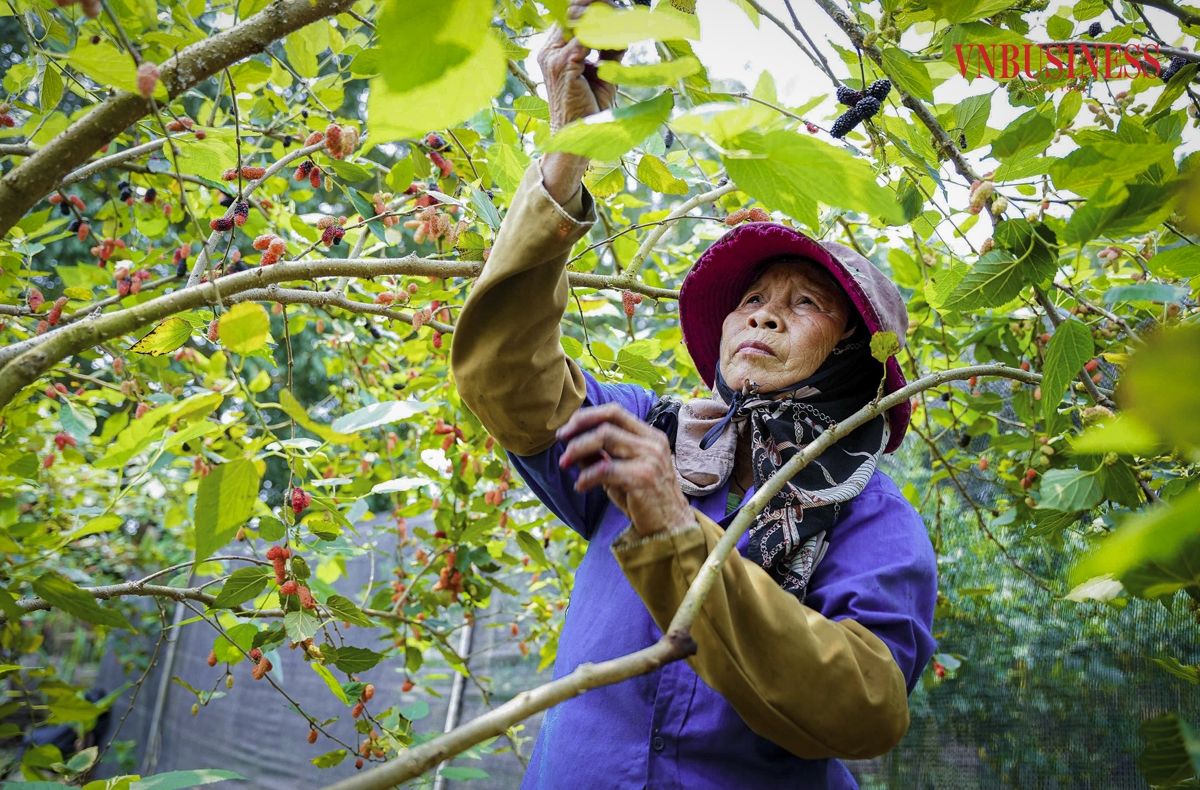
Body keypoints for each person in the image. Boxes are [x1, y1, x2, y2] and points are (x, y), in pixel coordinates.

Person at [450, 5, 938, 787]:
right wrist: (569, 142)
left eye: (805, 303)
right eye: (753, 298)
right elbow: (504, 374)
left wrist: (677, 528)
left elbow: (868, 706)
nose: (764, 311)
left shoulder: (869, 512)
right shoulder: (648, 433)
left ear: (852, 356)